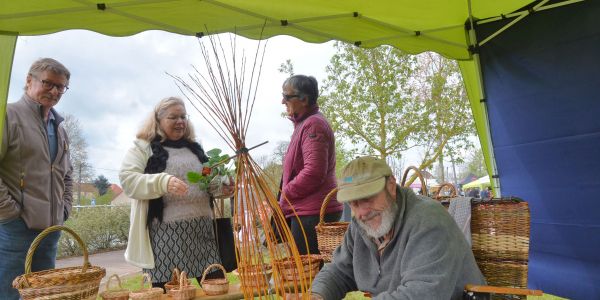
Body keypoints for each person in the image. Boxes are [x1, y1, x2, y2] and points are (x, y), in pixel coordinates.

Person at [309, 156, 485, 299]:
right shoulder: (360, 226)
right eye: (353, 204)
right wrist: (318, 295)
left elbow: (421, 294)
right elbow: (339, 271)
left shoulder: (428, 220)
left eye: (367, 198)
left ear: (391, 186)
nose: (362, 212)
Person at [119, 97, 231, 290]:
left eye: (183, 116)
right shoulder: (143, 147)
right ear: (158, 120)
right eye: (173, 117)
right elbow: (128, 180)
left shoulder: (195, 149)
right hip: (165, 238)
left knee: (218, 291)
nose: (180, 121)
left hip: (203, 233)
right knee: (168, 293)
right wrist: (162, 181)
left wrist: (221, 187)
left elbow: (206, 180)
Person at [0, 58, 73, 299]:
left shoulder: (59, 127)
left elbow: (67, 173)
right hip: (15, 230)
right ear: (29, 80)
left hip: (51, 230)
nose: (54, 91)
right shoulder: (7, 116)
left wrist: (65, 208)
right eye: (48, 83)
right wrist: (9, 213)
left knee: (44, 295)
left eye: (60, 87)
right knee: (11, 295)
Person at [279, 75, 343, 255]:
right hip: (307, 209)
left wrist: (286, 192)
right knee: (309, 271)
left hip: (312, 212)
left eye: (287, 96)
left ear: (304, 99)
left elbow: (313, 172)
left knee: (308, 272)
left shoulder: (313, 125)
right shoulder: (305, 124)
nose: (282, 100)